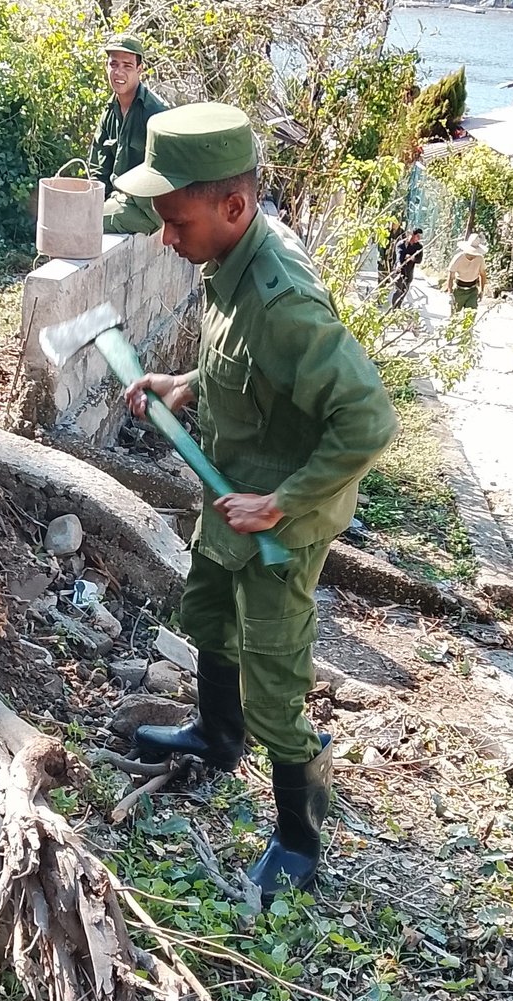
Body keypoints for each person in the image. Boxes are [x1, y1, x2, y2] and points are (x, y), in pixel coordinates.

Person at [113, 103, 398, 899]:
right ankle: (215, 735)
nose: (167, 238)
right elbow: (246, 370)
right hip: (228, 495)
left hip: (279, 527)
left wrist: (280, 503)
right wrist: (184, 384)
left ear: (233, 208)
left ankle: (299, 841)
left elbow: (368, 421)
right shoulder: (226, 264)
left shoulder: (285, 302)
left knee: (274, 673)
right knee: (208, 617)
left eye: (176, 221)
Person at [87, 33, 169, 236]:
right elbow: (98, 169)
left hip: (147, 209)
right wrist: (90, 201)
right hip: (118, 201)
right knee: (71, 214)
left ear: (139, 69)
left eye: (127, 66)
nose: (118, 72)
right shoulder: (109, 111)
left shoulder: (155, 113)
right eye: (113, 65)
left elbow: (166, 175)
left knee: (87, 224)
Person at [446, 231, 489, 312]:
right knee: (455, 316)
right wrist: (450, 293)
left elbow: (482, 274)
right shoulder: (458, 258)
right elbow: (451, 276)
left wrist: (482, 290)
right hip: (459, 290)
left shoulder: (480, 259)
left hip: (472, 290)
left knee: (471, 315)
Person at [391, 227, 422, 309]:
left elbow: (419, 260)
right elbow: (399, 255)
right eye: (417, 236)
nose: (419, 238)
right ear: (412, 235)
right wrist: (398, 264)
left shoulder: (419, 247)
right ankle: (394, 308)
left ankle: (398, 307)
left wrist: (412, 258)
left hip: (409, 271)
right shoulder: (401, 244)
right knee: (398, 290)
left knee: (404, 291)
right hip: (399, 270)